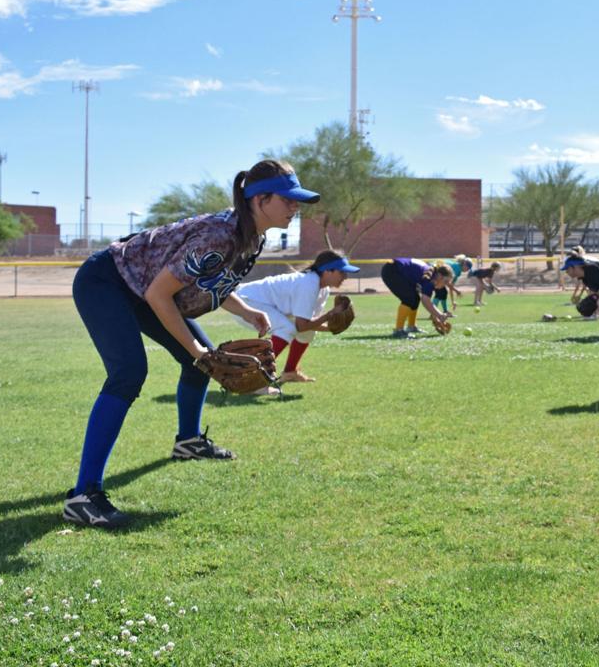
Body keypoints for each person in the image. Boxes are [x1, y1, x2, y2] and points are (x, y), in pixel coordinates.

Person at [64, 160, 320, 529]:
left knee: (200, 361)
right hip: (107, 281)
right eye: (288, 200)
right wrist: (197, 351)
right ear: (260, 200)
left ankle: (188, 442)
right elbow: (159, 293)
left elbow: (213, 280)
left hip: (143, 289)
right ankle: (84, 495)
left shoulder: (252, 236)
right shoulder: (220, 234)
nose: (295, 208)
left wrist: (247, 312)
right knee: (130, 372)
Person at [231, 248, 361, 392]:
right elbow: (301, 326)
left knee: (308, 333)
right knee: (287, 328)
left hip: (258, 302)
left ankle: (290, 372)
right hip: (246, 302)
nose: (345, 276)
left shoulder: (323, 289)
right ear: (327, 271)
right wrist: (329, 315)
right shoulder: (309, 284)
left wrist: (331, 328)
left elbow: (309, 324)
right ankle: (255, 379)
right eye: (341, 272)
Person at [381, 257, 453, 338]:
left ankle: (411, 327)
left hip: (394, 268)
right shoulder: (430, 279)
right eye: (446, 281)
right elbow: (426, 301)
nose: (445, 285)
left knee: (415, 299)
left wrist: (436, 316)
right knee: (409, 299)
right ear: (439, 276)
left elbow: (427, 302)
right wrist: (440, 315)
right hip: (392, 271)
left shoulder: (432, 275)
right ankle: (398, 331)